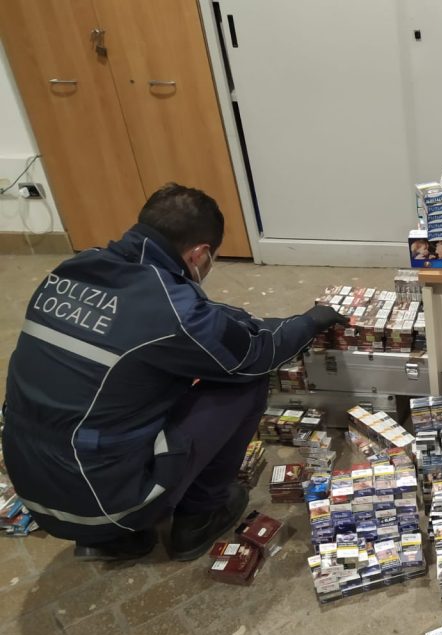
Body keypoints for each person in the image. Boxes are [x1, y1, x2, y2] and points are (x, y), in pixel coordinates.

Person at [2, 183, 343, 562]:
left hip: (35, 489)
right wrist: (310, 322)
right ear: (198, 254)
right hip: (105, 501)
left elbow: (173, 318)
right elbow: (253, 353)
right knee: (242, 382)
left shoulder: (70, 269)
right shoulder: (173, 312)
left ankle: (110, 537)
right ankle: (199, 515)